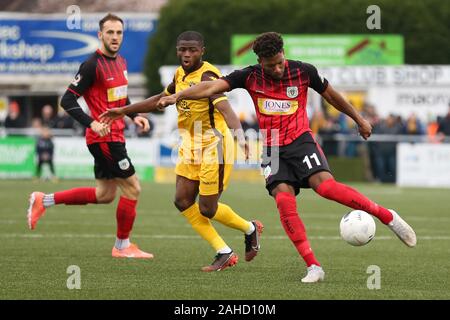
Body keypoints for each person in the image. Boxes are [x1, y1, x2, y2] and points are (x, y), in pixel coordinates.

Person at [156, 32, 417, 282]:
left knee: (326, 188)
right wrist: (177, 96)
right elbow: (211, 86)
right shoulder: (249, 76)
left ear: (284, 54)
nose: (278, 70)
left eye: (280, 63)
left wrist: (359, 119)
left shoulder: (304, 71)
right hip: (272, 149)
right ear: (260, 62)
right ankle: (313, 266)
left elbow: (332, 96)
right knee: (283, 200)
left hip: (301, 141)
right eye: (271, 66)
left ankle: (387, 217)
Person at [100, 31, 263, 271]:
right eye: (182, 49)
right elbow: (159, 99)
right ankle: (224, 252)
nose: (186, 54)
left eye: (192, 50)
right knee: (182, 200)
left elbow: (227, 110)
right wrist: (124, 111)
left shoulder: (208, 75)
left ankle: (250, 228)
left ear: (202, 51)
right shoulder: (179, 75)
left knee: (208, 208)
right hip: (189, 144)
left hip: (214, 145)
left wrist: (240, 138)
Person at [27, 13, 153, 259]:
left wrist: (132, 115)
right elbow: (67, 100)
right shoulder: (91, 65)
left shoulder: (122, 62)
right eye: (110, 32)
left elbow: (120, 97)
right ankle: (122, 246)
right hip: (105, 139)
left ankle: (44, 200)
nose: (115, 37)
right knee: (133, 188)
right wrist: (92, 123)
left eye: (119, 33)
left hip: (114, 135)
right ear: (100, 35)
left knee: (104, 195)